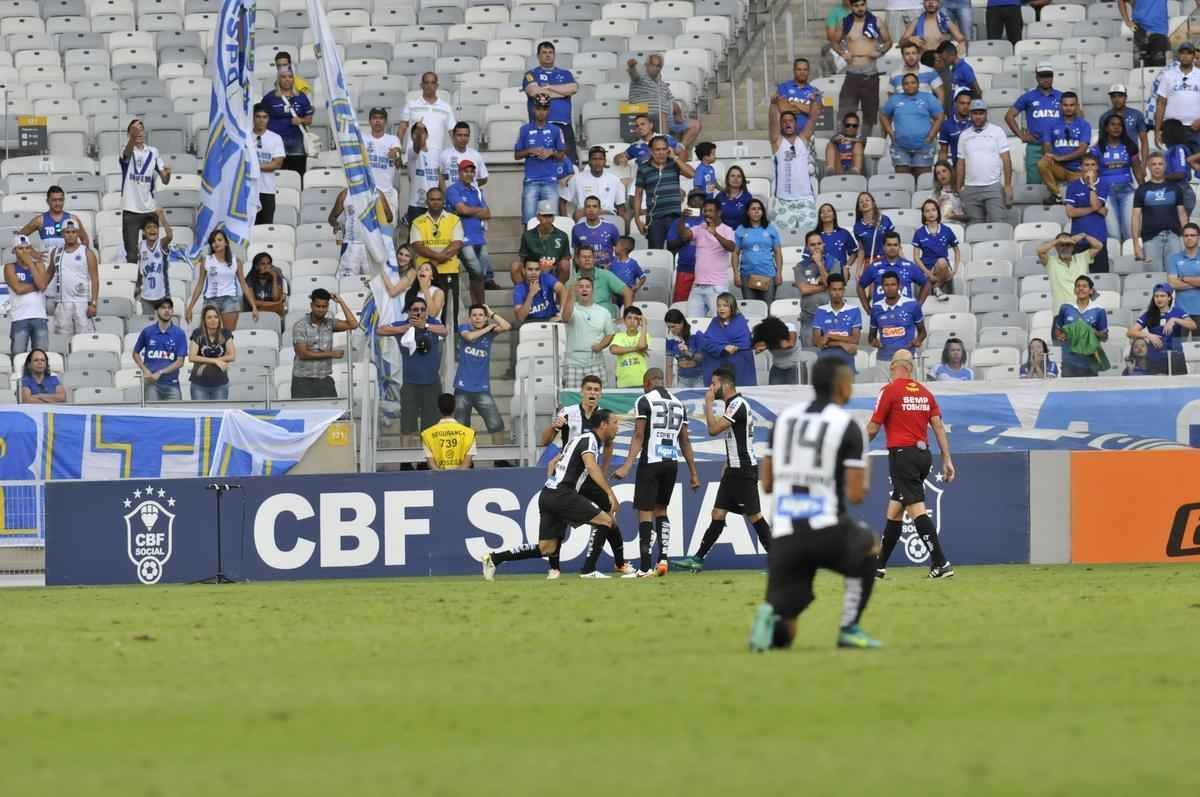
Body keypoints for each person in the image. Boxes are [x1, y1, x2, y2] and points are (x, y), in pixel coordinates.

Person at [748, 357, 882, 652]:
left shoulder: (783, 419)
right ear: (842, 386)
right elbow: (857, 495)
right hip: (826, 527)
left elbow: (767, 484)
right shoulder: (848, 425)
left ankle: (771, 615)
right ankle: (849, 628)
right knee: (871, 545)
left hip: (783, 534)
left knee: (786, 631)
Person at [483, 408, 621, 581]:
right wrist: (609, 492)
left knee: (546, 548)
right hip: (563, 493)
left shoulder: (579, 440)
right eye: (615, 423)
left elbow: (555, 462)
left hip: (548, 494)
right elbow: (592, 467)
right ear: (603, 425)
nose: (618, 427)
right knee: (607, 521)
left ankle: (494, 559)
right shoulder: (590, 440)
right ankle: (588, 569)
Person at [671, 365, 772, 572]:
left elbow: (712, 430)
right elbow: (735, 438)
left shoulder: (737, 404)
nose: (711, 387)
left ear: (725, 385)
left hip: (743, 470)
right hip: (733, 470)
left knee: (755, 516)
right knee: (717, 513)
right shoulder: (733, 405)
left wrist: (708, 404)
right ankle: (698, 559)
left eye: (714, 383)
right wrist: (727, 465)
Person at [867, 348, 956, 579]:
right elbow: (938, 426)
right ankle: (878, 566)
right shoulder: (926, 393)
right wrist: (947, 458)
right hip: (923, 455)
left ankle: (941, 562)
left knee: (915, 508)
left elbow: (873, 428)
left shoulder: (889, 391)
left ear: (893, 367)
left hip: (902, 455)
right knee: (895, 510)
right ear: (911, 367)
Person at [537, 376, 631, 578]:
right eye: (589, 389)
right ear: (582, 392)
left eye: (597, 390)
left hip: (590, 474)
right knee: (558, 517)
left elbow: (608, 447)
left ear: (601, 394)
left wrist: (602, 473)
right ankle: (555, 567)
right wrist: (555, 426)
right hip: (569, 473)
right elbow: (544, 441)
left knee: (608, 513)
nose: (592, 393)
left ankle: (619, 563)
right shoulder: (568, 413)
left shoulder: (602, 417)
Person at [612, 368, 701, 576]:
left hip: (651, 461)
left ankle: (644, 567)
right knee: (661, 510)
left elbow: (638, 435)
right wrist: (694, 473)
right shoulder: (679, 404)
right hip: (671, 462)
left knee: (645, 512)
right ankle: (663, 559)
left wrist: (626, 465)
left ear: (647, 382)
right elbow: (685, 441)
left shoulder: (645, 400)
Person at [379, 296, 447, 432]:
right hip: (410, 383)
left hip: (432, 383)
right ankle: (405, 453)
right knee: (407, 426)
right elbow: (380, 330)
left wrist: (425, 326)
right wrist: (406, 327)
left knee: (432, 429)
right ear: (408, 312)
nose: (419, 312)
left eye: (422, 309)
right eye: (415, 309)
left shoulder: (432, 323)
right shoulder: (402, 324)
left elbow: (445, 331)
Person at [18, 187, 91, 301]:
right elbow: (20, 236)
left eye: (60, 200)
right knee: (46, 295)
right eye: (54, 200)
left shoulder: (72, 219)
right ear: (48, 201)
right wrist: (33, 253)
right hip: (47, 265)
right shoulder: (40, 220)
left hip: (68, 264)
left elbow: (85, 239)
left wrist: (81, 256)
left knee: (68, 297)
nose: (58, 203)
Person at [832, 0, 892, 138]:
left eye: (862, 5)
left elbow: (888, 41)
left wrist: (881, 52)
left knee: (870, 113)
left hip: (870, 74)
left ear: (866, 5)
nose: (860, 8)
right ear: (851, 7)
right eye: (856, 6)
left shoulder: (876, 21)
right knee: (845, 111)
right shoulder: (845, 22)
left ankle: (864, 142)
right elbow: (834, 41)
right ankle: (845, 140)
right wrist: (842, 53)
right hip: (852, 73)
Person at [626, 54, 701, 156]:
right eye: (653, 65)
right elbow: (634, 75)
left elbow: (672, 100)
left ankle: (680, 148)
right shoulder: (639, 79)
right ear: (646, 65)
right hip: (645, 116)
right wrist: (632, 67)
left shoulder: (663, 85)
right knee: (662, 113)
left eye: (658, 66)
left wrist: (678, 113)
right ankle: (665, 147)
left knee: (695, 124)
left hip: (666, 118)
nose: (656, 68)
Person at [119, 119, 172, 264]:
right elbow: (126, 155)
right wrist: (132, 137)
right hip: (130, 209)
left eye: (140, 129)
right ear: (129, 133)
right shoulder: (126, 148)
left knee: (152, 251)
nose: (138, 132)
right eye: (135, 129)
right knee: (132, 254)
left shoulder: (153, 152)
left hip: (149, 209)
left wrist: (168, 174)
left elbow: (165, 180)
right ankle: (135, 286)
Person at [409, 187, 464, 325]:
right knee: (425, 309)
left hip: (449, 271)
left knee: (450, 311)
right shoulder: (418, 222)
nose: (436, 202)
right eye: (432, 199)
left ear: (443, 201)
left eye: (439, 199)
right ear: (427, 201)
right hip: (425, 275)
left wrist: (435, 259)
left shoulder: (454, 219)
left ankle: (450, 342)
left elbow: (457, 244)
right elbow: (417, 246)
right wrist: (439, 257)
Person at [292, 289, 359, 399]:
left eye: (324, 307)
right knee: (304, 414)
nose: (321, 310)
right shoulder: (300, 326)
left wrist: (341, 302)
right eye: (318, 306)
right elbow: (302, 354)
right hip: (303, 380)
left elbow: (353, 324)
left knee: (333, 413)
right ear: (311, 305)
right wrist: (331, 354)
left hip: (324, 378)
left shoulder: (330, 323)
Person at [454, 303, 510, 434]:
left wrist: (491, 314)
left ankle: (499, 455)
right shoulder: (464, 328)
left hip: (482, 389)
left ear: (485, 318)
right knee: (461, 430)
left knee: (497, 427)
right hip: (462, 388)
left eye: (481, 315)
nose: (477, 318)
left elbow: (507, 326)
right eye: (474, 315)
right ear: (469, 319)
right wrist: (489, 327)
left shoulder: (490, 333)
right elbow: (469, 336)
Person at [187, 229, 256, 331]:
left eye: (219, 240)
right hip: (211, 299)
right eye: (213, 241)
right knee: (208, 334)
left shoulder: (236, 261)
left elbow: (243, 284)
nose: (216, 243)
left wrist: (253, 306)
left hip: (230, 300)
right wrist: (190, 307)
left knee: (228, 335)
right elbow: (200, 284)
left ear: (226, 243)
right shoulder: (206, 260)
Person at [956, 99, 1013, 224]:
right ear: (970, 115)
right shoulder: (964, 135)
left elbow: (1006, 159)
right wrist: (959, 187)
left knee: (997, 223)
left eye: (981, 113)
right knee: (975, 227)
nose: (978, 116)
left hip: (992, 186)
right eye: (975, 113)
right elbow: (961, 163)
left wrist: (1008, 185)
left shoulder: (997, 131)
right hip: (970, 187)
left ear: (986, 114)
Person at [634, 135, 694, 248]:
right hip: (654, 220)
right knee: (656, 254)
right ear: (651, 151)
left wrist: (675, 157)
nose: (661, 152)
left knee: (675, 252)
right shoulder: (643, 168)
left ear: (668, 150)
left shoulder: (674, 164)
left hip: (675, 218)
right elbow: (638, 195)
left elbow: (691, 174)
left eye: (664, 149)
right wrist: (637, 219)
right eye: (657, 149)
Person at [445, 160, 491, 306]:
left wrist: (469, 211)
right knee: (476, 271)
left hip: (479, 237)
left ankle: (478, 307)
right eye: (466, 171)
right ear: (459, 172)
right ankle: (480, 306)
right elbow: (461, 210)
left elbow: (488, 214)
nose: (469, 174)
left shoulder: (476, 191)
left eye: (472, 171)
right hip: (463, 237)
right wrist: (477, 210)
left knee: (480, 274)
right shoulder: (453, 189)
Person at [1006, 64, 1062, 186]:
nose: (1046, 79)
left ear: (1053, 77)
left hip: (1057, 146)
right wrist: (1021, 136)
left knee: (1057, 183)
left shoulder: (1061, 96)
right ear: (1036, 77)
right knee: (1034, 184)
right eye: (1042, 76)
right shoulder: (1028, 97)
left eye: (1049, 75)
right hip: (1035, 147)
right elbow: (1009, 116)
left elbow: (1077, 116)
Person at [881, 73, 944, 178]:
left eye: (913, 83)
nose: (910, 85)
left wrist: (931, 136)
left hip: (924, 146)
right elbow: (883, 115)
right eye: (906, 83)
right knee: (902, 181)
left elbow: (940, 117)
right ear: (902, 86)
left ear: (918, 84)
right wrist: (890, 132)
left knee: (923, 180)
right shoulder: (895, 99)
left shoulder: (928, 98)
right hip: (900, 146)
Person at [523, 41, 578, 162]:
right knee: (543, 161)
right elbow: (534, 92)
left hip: (564, 126)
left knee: (568, 163)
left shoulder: (566, 73)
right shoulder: (531, 74)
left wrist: (548, 88)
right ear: (538, 56)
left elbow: (573, 89)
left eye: (550, 52)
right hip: (541, 126)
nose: (548, 55)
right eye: (544, 52)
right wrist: (562, 92)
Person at [515, 94, 566, 225]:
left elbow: (562, 156)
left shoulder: (556, 130)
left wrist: (551, 152)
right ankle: (527, 245)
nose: (541, 112)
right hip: (531, 181)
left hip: (550, 181)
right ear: (533, 109)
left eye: (544, 109)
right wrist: (529, 150)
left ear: (548, 110)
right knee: (529, 220)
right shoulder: (524, 130)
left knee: (552, 220)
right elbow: (517, 155)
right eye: (538, 108)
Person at [1092, 115, 1140, 252]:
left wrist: (1143, 188)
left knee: (1130, 233)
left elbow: (1137, 167)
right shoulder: (1097, 149)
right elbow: (1093, 172)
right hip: (1106, 193)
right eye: (1112, 124)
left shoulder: (1130, 146)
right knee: (1113, 235)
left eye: (1119, 125)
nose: (1116, 127)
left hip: (1127, 192)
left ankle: (1132, 263)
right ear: (1106, 128)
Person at [1132, 153, 1187, 272]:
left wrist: (1186, 237)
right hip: (1150, 240)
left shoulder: (1175, 188)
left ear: (1165, 166)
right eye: (1154, 164)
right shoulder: (1141, 190)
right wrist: (1136, 244)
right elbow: (1136, 217)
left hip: (1173, 237)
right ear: (1148, 167)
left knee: (1175, 275)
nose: (1157, 167)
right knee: (1154, 278)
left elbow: (1182, 214)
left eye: (1160, 164)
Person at [682, 198, 735, 318]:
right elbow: (685, 236)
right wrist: (682, 219)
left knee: (720, 323)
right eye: (705, 211)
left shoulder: (727, 229)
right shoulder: (700, 227)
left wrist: (715, 233)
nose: (707, 213)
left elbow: (731, 247)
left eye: (710, 211)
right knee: (692, 323)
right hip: (698, 286)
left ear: (719, 213)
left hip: (717, 287)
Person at [767, 109, 817, 235]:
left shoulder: (803, 140)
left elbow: (812, 118)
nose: (787, 123)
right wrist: (773, 104)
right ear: (780, 125)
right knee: (782, 238)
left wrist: (813, 102)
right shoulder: (777, 142)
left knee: (809, 237)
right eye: (784, 121)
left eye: (790, 121)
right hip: (783, 200)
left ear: (796, 124)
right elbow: (772, 121)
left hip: (805, 199)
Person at [46, 218, 98, 336]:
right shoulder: (56, 252)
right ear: (62, 233)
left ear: (78, 233)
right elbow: (49, 273)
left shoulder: (87, 252)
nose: (70, 235)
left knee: (85, 338)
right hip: (62, 303)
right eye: (67, 232)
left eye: (73, 232)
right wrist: (39, 287)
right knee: (63, 339)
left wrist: (93, 303)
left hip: (82, 302)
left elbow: (95, 279)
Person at [1036, 92, 1091, 202]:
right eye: (1065, 105)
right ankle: (1057, 194)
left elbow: (1082, 149)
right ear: (1060, 106)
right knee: (1042, 162)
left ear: (1077, 106)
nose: (1068, 108)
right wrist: (1049, 155)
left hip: (1077, 170)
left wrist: (1060, 158)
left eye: (1072, 105)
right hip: (1058, 168)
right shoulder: (1051, 124)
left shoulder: (1084, 125)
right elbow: (1046, 144)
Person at [561, 275, 615, 386]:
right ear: (576, 290)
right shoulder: (571, 308)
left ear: (593, 290)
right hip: (573, 364)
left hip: (596, 364)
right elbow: (565, 317)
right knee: (572, 400)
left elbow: (610, 334)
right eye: (580, 287)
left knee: (599, 399)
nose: (584, 289)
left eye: (587, 287)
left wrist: (601, 345)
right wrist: (571, 294)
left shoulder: (604, 312)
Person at [329, 186, 394, 279]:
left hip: (372, 245)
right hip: (351, 245)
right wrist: (337, 225)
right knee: (346, 282)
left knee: (374, 282)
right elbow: (332, 218)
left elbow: (389, 217)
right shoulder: (345, 194)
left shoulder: (377, 194)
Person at [1130, 284, 1196, 374]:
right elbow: (1130, 332)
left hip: (1176, 356)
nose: (1159, 299)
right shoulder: (1149, 314)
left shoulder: (1178, 312)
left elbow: (1193, 325)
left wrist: (1175, 320)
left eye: (1162, 296)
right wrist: (1149, 335)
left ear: (1169, 298)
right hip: (1155, 357)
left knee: (1179, 384)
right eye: (1156, 296)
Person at [1053, 274, 1110, 378]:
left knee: (1090, 393)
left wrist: (1091, 331)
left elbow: (1105, 337)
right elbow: (1057, 330)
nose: (1081, 289)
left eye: (1084, 286)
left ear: (1091, 291)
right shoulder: (1065, 308)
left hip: (1090, 363)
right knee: (1068, 393)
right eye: (1078, 286)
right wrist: (1061, 335)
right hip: (1069, 362)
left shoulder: (1099, 310)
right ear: (1074, 290)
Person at [132, 297, 188, 401]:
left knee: (176, 414)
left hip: (172, 384)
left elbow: (180, 362)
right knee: (152, 415)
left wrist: (160, 372)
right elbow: (135, 353)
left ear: (172, 311)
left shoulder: (179, 333)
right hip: (152, 384)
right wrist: (144, 370)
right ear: (156, 311)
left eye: (169, 308)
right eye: (163, 308)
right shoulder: (147, 332)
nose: (167, 310)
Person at [1063, 154, 1112, 274]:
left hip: (1098, 238)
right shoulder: (1073, 186)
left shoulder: (1103, 184)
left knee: (1100, 277)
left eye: (1093, 165)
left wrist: (1091, 186)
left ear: (1097, 168)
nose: (1090, 168)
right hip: (1078, 239)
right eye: (1086, 165)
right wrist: (1098, 210)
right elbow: (1070, 212)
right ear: (1081, 167)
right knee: (1079, 277)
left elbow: (1095, 205)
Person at [260, 67, 313, 177]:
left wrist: (301, 120)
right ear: (278, 79)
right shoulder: (269, 98)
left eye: (290, 77)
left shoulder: (301, 97)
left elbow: (309, 120)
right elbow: (261, 118)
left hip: (297, 143)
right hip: (276, 143)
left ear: (294, 79)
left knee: (297, 175)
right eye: (283, 77)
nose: (287, 79)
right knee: (276, 176)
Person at [868, 270, 927, 362]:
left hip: (907, 358)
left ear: (899, 286)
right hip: (884, 359)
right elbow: (871, 336)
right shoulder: (876, 308)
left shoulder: (912, 305)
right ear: (882, 287)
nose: (890, 288)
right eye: (886, 285)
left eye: (893, 284)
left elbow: (923, 332)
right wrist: (874, 341)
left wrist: (918, 340)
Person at [397, 72, 456, 162]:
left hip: (437, 157)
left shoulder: (446, 107)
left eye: (432, 83)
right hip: (414, 156)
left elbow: (453, 133)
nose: (429, 86)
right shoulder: (411, 105)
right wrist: (398, 153)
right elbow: (401, 130)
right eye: (426, 83)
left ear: (437, 86)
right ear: (421, 85)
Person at [1037, 232, 1104, 312]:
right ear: (1056, 247)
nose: (1065, 248)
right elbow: (1040, 251)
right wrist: (1058, 240)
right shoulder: (1051, 262)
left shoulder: (1082, 258)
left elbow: (1099, 246)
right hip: (1062, 313)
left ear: (1073, 246)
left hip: (1083, 312)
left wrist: (1084, 236)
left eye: (1068, 244)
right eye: (1062, 245)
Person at [5, 235, 50, 353]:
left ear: (30, 250)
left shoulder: (38, 265)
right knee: (18, 355)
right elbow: (18, 289)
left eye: (27, 248)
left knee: (41, 355)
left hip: (39, 316)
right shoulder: (9, 267)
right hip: (19, 317)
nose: (24, 251)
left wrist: (30, 264)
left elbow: (42, 286)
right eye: (20, 248)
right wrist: (37, 286)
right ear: (14, 251)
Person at [733, 199, 784, 304]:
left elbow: (778, 253)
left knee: (768, 308)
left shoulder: (771, 229)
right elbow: (735, 253)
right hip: (747, 275)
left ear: (763, 212)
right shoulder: (741, 229)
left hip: (768, 274)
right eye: (753, 209)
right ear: (747, 212)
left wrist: (779, 273)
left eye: (759, 209)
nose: (756, 211)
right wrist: (736, 274)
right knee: (752, 310)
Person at [700, 292, 756, 386]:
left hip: (737, 361)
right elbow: (707, 342)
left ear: (732, 307)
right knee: (707, 353)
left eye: (725, 305)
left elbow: (745, 342)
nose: (721, 309)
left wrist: (732, 347)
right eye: (719, 306)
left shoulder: (740, 320)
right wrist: (723, 348)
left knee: (742, 355)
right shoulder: (714, 321)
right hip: (718, 359)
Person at [858, 231, 929, 304]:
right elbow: (860, 286)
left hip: (904, 313)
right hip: (881, 313)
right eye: (889, 245)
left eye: (895, 245)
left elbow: (926, 284)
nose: (892, 248)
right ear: (884, 247)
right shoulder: (875, 266)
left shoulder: (909, 266)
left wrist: (918, 306)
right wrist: (868, 310)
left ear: (899, 247)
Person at [1154, 42, 1200, 154]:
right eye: (1182, 53)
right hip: (1172, 128)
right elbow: (1161, 104)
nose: (1185, 56)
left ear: (1194, 56)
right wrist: (1157, 131)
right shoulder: (1167, 75)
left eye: (1188, 53)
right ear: (1178, 55)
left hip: (1196, 128)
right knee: (1177, 168)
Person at [512, 200, 571, 284]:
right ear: (538, 217)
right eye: (544, 216)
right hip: (533, 270)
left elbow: (565, 259)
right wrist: (537, 268)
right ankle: (523, 292)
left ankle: (558, 292)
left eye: (550, 216)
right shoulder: (527, 235)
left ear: (553, 217)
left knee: (565, 264)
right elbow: (522, 260)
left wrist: (551, 267)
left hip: (553, 271)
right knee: (515, 266)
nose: (547, 219)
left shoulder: (562, 235)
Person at [812, 272, 862, 369]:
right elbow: (817, 341)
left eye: (840, 289)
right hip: (825, 362)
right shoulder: (820, 311)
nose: (837, 293)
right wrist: (841, 343)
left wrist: (829, 336)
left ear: (844, 290)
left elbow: (855, 339)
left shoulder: (854, 310)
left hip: (846, 362)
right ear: (828, 290)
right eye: (834, 289)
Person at [912, 198, 959, 300]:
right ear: (923, 214)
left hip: (943, 267)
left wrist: (955, 270)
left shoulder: (946, 230)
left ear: (938, 212)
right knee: (926, 280)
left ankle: (936, 286)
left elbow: (957, 250)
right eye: (927, 211)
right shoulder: (919, 232)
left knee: (942, 262)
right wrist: (928, 273)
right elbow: (916, 257)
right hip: (926, 267)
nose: (931, 213)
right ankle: (935, 291)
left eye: (933, 210)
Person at [187, 305, 236, 400]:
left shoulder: (226, 333)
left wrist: (210, 361)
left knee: (218, 414)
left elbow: (232, 356)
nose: (213, 320)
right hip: (199, 384)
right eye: (209, 317)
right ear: (204, 320)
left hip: (220, 384)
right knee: (201, 414)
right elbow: (192, 357)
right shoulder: (198, 333)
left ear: (219, 319)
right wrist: (216, 362)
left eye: (216, 317)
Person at [570, 244, 631, 319]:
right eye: (584, 257)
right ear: (577, 260)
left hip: (607, 320)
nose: (587, 259)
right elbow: (570, 306)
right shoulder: (573, 281)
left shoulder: (605, 275)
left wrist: (626, 318)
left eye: (590, 257)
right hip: (584, 321)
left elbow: (628, 292)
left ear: (594, 259)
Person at [363, 107, 403, 221]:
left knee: (387, 231)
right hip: (367, 193)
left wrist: (396, 154)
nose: (377, 121)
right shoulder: (363, 139)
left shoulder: (393, 139)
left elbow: (398, 156)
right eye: (374, 118)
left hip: (386, 193)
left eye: (381, 118)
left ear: (385, 121)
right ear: (369, 121)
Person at [571, 147, 628, 224]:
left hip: (607, 213)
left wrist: (623, 225)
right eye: (594, 159)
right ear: (589, 162)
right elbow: (563, 201)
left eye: (600, 159)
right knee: (578, 213)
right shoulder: (577, 179)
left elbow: (621, 205)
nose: (597, 162)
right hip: (584, 213)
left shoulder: (614, 179)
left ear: (605, 161)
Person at [902, 0, 966, 67]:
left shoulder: (945, 22)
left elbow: (962, 40)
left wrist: (962, 44)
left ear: (939, 3)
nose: (931, 3)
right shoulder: (916, 22)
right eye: (927, 0)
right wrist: (909, 39)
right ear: (923, 3)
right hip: (923, 65)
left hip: (941, 65)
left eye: (934, 0)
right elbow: (901, 43)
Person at [668, 191, 706, 302]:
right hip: (685, 268)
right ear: (688, 203)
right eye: (694, 199)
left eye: (701, 199)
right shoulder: (678, 222)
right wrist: (685, 236)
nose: (697, 202)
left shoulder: (709, 221)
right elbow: (670, 245)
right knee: (680, 304)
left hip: (705, 271)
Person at [797, 230, 835, 342]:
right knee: (809, 355)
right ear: (807, 247)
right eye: (812, 245)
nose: (816, 247)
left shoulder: (834, 263)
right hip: (809, 319)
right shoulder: (800, 266)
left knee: (831, 356)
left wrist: (819, 264)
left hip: (831, 317)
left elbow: (834, 287)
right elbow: (804, 290)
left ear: (823, 245)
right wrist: (826, 287)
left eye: (819, 243)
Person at [423, 393, 477, 470]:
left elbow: (431, 464)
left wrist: (443, 477)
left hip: (439, 480)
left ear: (438, 409)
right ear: (455, 408)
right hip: (461, 479)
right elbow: (467, 464)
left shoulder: (427, 434)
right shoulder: (469, 433)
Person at [251, 103, 286, 225]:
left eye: (264, 117)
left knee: (265, 226)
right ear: (253, 117)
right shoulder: (245, 137)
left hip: (267, 190)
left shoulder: (275, 138)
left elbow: (277, 164)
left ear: (268, 118)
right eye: (258, 116)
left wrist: (253, 167)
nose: (261, 120)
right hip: (248, 189)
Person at [1098, 85, 1150, 164]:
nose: (1117, 99)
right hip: (1111, 161)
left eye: (1120, 96)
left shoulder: (1136, 115)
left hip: (1133, 160)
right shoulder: (1104, 117)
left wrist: (1144, 165)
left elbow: (1144, 141)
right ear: (1110, 98)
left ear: (1126, 97)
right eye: (1114, 96)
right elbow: (1101, 140)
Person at [401, 121, 440, 226]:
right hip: (417, 206)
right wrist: (419, 129)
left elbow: (439, 178)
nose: (419, 135)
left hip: (435, 205)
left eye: (423, 133)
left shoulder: (436, 153)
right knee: (416, 240)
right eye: (416, 133)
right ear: (412, 137)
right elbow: (417, 145)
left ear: (427, 135)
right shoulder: (412, 152)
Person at [1119, 0, 1176, 68]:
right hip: (1140, 29)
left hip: (1159, 30)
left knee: (1157, 69)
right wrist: (1127, 21)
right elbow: (1121, 1)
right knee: (1140, 71)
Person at [616, 114, 685, 167]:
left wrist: (678, 168)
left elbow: (682, 152)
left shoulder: (665, 138)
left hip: (665, 177)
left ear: (651, 125)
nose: (640, 127)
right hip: (645, 180)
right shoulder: (635, 146)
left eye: (643, 124)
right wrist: (619, 159)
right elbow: (618, 158)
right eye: (637, 126)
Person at [439, 122, 489, 193]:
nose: (463, 138)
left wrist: (472, 185)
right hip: (452, 199)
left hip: (471, 199)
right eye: (459, 135)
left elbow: (484, 178)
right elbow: (440, 176)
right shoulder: (445, 155)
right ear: (453, 136)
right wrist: (447, 194)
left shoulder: (475, 155)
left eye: (466, 135)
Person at [571, 197, 621, 269]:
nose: (591, 210)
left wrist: (612, 266)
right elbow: (576, 254)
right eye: (588, 207)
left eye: (595, 206)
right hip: (586, 271)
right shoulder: (577, 229)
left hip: (608, 270)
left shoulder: (611, 228)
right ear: (584, 210)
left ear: (600, 209)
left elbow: (620, 252)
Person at [1168, 222, 1200, 332]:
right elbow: (1172, 284)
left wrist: (1183, 278)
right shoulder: (1174, 258)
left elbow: (1177, 282)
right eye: (1186, 236)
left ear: (1198, 237)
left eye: (1192, 235)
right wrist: (1196, 283)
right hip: (1180, 311)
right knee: (1179, 347)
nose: (1189, 238)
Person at [752, 316, 802, 384]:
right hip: (777, 367)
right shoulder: (764, 335)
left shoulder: (790, 327)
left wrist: (767, 346)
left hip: (794, 367)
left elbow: (789, 344)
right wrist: (766, 345)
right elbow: (757, 346)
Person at [610, 305, 650, 388]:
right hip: (623, 381)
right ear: (624, 321)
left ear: (639, 321)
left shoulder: (644, 335)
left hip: (641, 380)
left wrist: (644, 326)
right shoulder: (619, 336)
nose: (632, 321)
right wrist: (636, 348)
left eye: (636, 318)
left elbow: (642, 346)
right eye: (629, 318)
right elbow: (614, 350)